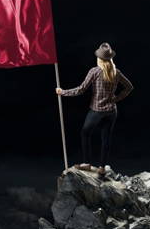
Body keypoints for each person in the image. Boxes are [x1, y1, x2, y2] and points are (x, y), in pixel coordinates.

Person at [56, 42, 133, 174]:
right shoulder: (116, 72)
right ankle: (102, 168)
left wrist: (62, 92)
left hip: (97, 110)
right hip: (111, 111)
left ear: (99, 59)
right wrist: (116, 99)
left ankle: (86, 163)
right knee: (106, 138)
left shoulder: (95, 71)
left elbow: (80, 90)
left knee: (85, 133)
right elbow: (129, 87)